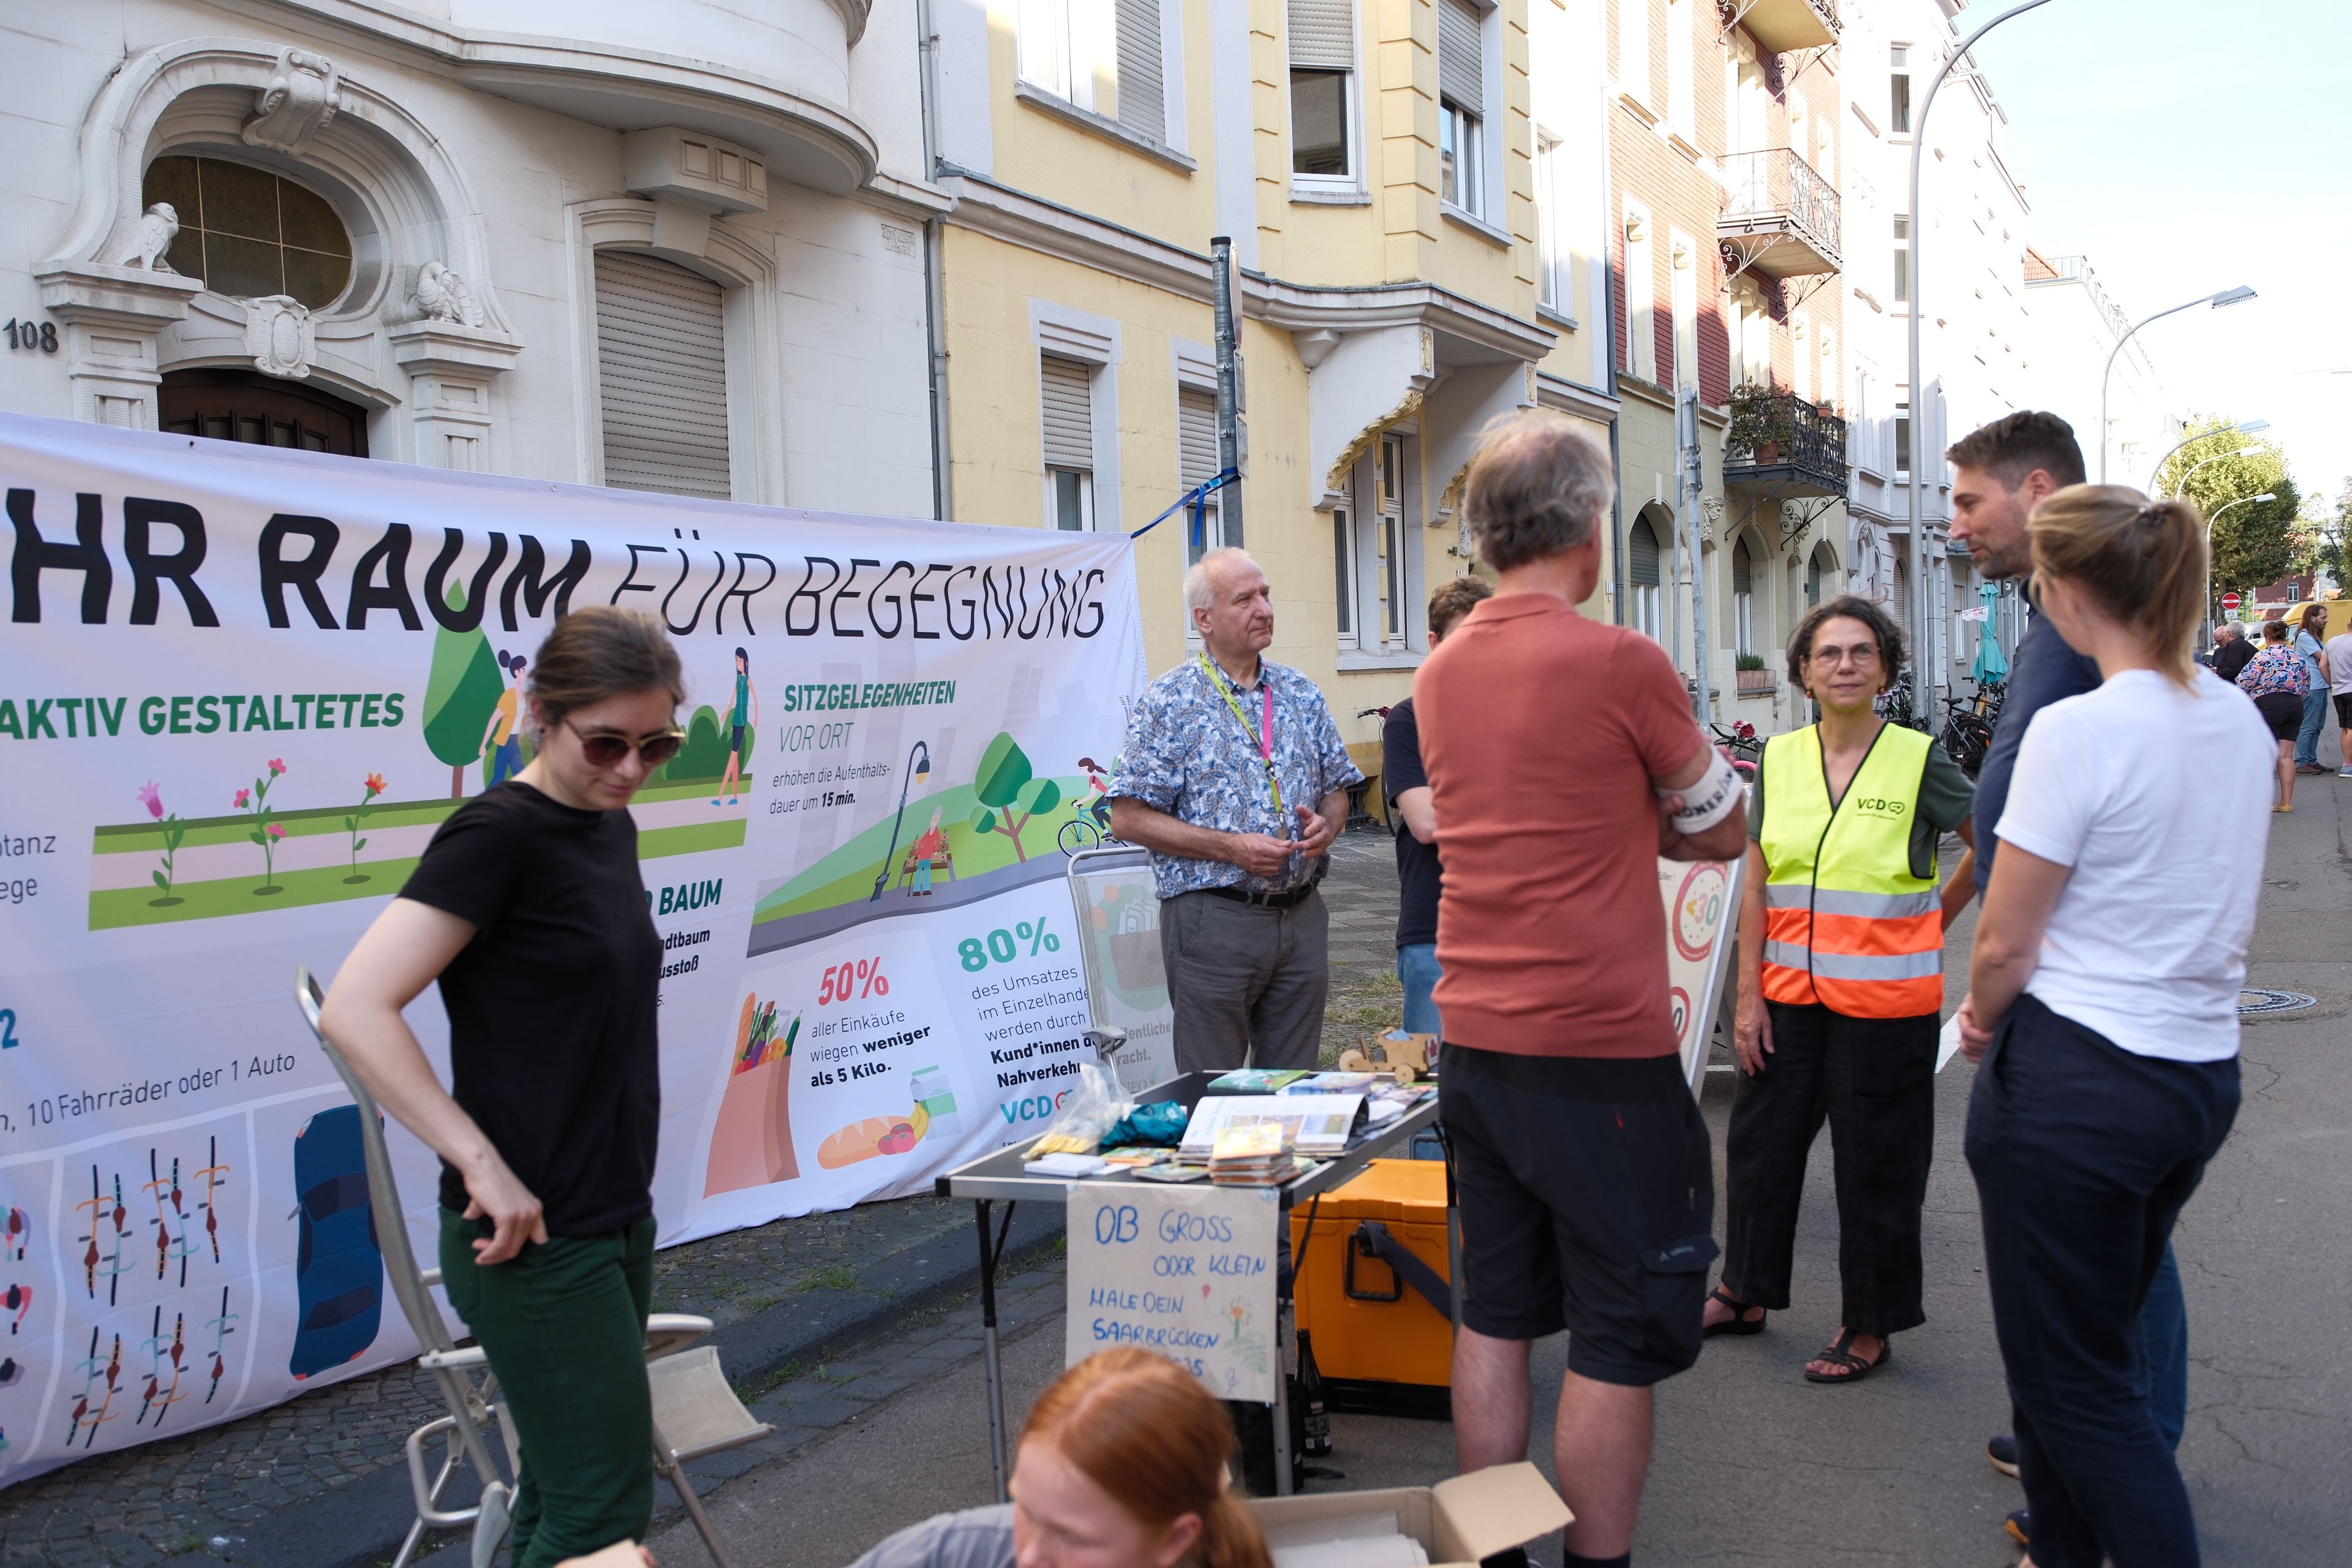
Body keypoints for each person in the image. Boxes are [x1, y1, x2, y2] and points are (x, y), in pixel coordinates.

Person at [1415, 413, 1747, 1568]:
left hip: (1477, 1042)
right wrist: (1637, 814)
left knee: (1497, 1315)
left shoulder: (1443, 668)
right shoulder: (1621, 660)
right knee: (1615, 1333)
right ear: (1590, 527)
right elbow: (1724, 827)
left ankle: (1489, 1554)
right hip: (1602, 1056)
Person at [320, 607, 686, 1568]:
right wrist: (481, 1164)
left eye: (658, 745)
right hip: (530, 1234)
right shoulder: (497, 833)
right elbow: (355, 1007)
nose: (630, 768)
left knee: (560, 1504)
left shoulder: (607, 826)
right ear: (540, 715)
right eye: (606, 742)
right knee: (600, 1518)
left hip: (610, 1211)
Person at [1957, 486, 2267, 1568]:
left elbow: (2004, 943)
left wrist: (1979, 1023)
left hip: (2076, 1085)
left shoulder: (2075, 730)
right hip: (2194, 1076)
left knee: (2081, 1393)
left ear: (2064, 588)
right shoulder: (2227, 713)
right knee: (2083, 1368)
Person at [1944, 410, 2192, 1555]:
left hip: (2074, 1014)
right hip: (2141, 1030)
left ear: (2037, 491)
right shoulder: (2215, 715)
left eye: (1967, 502)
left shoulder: (2086, 653)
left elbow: (2059, 816)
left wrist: (1987, 1005)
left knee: (2089, 1331)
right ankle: (2081, 1457)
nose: (1959, 524)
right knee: (2107, 1278)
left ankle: (2106, 1457)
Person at [1705, 596, 1975, 1384]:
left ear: (1885, 668)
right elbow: (1758, 880)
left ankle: (1869, 1323)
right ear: (1803, 672)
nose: (1845, 665)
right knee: (1758, 1150)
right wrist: (1748, 996)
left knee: (1876, 1166)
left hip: (1886, 1007)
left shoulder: (1920, 759)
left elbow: (1988, 843)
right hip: (1788, 998)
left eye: (1862, 652)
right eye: (1829, 654)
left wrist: (1933, 921)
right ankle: (1744, 1291)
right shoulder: (1781, 760)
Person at [1110, 548, 1361, 1073]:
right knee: (1214, 1088)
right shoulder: (1171, 701)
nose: (1264, 609)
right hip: (1214, 918)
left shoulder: (1300, 692)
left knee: (1293, 1083)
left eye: (1265, 595)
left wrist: (1328, 824)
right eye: (1245, 599)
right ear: (1204, 619)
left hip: (1302, 916)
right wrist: (1230, 848)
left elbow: (1338, 789)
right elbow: (1127, 817)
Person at [843, 1349, 1273, 1568]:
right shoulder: (945, 1555)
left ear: (1176, 1539)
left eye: (1072, 1537)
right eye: (1024, 1509)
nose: (1029, 1556)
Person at [1382, 574, 1493, 1037]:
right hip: (1436, 932)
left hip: (1518, 930)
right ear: (1435, 642)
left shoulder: (1524, 713)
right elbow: (1425, 822)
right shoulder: (1410, 720)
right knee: (1438, 1091)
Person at [2237, 619, 2310, 813]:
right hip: (2294, 705)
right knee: (2286, 755)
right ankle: (2286, 801)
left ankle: (2258, 802)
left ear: (2267, 637)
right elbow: (2306, 681)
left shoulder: (2263, 657)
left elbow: (2245, 680)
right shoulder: (2297, 656)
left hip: (2268, 704)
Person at [2290, 604, 2332, 774]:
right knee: (2309, 725)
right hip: (2312, 686)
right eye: (2323, 617)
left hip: (2319, 685)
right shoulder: (2304, 637)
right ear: (2312, 618)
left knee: (2318, 725)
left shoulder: (2314, 637)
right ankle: (2301, 762)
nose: (2326, 620)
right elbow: (2322, 657)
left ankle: (2311, 760)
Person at [715, 646, 757, 807]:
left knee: (732, 756)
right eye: (736, 660)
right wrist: (726, 712)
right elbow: (732, 699)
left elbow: (755, 699)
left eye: (740, 660)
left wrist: (756, 718)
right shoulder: (738, 680)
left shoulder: (748, 680)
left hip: (742, 720)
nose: (738, 663)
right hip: (734, 718)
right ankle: (735, 797)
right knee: (736, 759)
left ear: (746, 662)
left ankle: (719, 796)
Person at [481, 650, 527, 789]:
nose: (526, 673)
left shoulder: (523, 696)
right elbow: (494, 718)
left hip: (513, 739)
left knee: (506, 775)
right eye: (524, 670)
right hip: (506, 740)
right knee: (507, 775)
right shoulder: (509, 696)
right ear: (517, 672)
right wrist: (483, 744)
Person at [2327, 615, 2352, 778]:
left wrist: (2332, 683)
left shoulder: (2332, 642)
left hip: (2338, 691)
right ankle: (2348, 766)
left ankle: (2347, 764)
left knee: (2345, 728)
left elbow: (2323, 666)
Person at [910, 807, 946, 896]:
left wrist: (936, 850)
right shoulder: (928, 832)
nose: (934, 821)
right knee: (918, 873)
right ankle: (916, 890)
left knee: (926, 872)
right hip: (922, 856)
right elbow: (921, 842)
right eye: (934, 819)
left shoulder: (935, 832)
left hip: (928, 856)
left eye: (936, 819)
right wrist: (917, 853)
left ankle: (927, 889)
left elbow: (937, 840)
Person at [2209, 619, 2252, 685]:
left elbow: (2234, 669)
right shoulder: (2246, 645)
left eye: (2224, 633)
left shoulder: (2235, 645)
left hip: (2237, 686)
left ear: (2229, 634)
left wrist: (2218, 673)